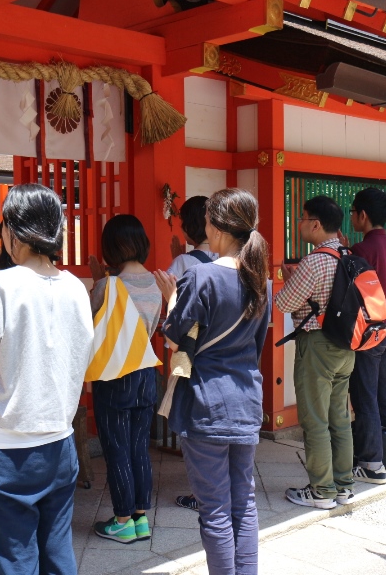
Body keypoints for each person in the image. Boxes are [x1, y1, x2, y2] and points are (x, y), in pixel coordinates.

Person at [0, 183, 94, 575]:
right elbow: (82, 354)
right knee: (58, 552)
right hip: (60, 440)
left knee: (17, 558)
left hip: (8, 448)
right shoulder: (75, 287)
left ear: (11, 232)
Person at [154, 187, 271, 575]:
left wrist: (171, 298)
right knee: (244, 503)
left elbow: (173, 335)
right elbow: (256, 346)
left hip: (206, 403)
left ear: (216, 227)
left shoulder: (200, 276)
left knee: (215, 510)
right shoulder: (261, 280)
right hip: (245, 398)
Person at [275, 195, 355, 509]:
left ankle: (322, 491)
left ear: (316, 224)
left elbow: (283, 303)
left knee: (315, 419)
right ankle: (344, 485)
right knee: (339, 417)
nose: (300, 224)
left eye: (303, 218)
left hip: (317, 344)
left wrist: (290, 279)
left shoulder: (315, 260)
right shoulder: (349, 254)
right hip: (348, 344)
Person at [88, 214, 162, 544]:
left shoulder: (107, 286)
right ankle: (140, 519)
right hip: (146, 373)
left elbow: (92, 327)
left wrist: (96, 282)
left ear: (112, 248)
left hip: (115, 375)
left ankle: (121, 521)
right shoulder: (157, 284)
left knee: (116, 448)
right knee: (138, 448)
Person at [344, 188, 386, 484]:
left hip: (369, 330)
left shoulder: (363, 249)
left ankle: (371, 463)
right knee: (384, 393)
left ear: (362, 215)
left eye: (353, 212)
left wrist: (346, 252)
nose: (351, 216)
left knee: (364, 395)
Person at [167, 195, 218, 512]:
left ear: (187, 228)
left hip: (191, 349)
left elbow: (176, 312)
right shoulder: (225, 259)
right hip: (221, 348)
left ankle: (203, 492)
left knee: (193, 420)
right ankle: (217, 488)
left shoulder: (182, 264)